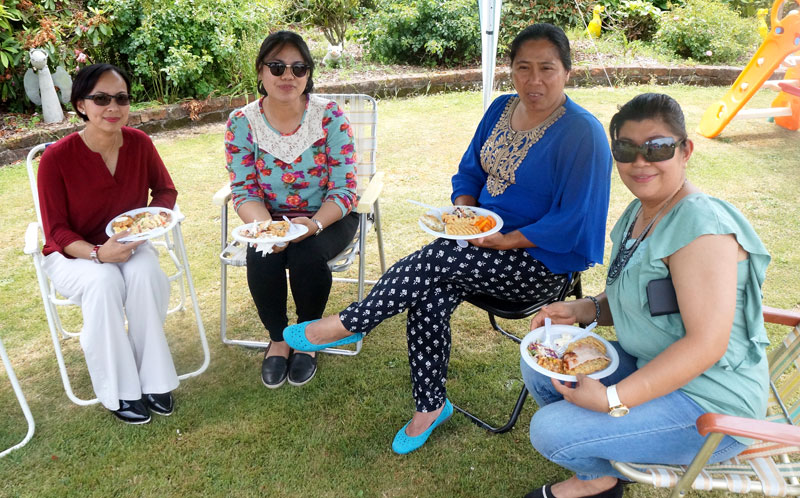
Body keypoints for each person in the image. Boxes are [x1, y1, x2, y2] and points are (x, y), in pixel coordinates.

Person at [283, 23, 613, 454]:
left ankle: (351, 322)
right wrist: (464, 210)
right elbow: (470, 171)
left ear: (567, 72)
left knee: (436, 261)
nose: (534, 80)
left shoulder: (582, 132)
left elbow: (574, 220)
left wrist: (505, 240)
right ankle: (431, 406)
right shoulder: (500, 109)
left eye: (547, 68)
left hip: (540, 265)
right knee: (430, 291)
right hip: (476, 243)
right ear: (510, 70)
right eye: (523, 68)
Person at [520, 93, 771, 498]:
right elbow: (640, 295)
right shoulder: (642, 210)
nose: (640, 161)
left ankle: (595, 462)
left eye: (657, 148)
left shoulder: (700, 225)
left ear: (685, 150)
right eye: (626, 148)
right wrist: (582, 309)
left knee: (550, 431)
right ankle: (598, 475)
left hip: (710, 405)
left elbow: (707, 345)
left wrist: (612, 400)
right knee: (542, 365)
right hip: (655, 364)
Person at [38, 63, 180, 425]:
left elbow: (165, 190)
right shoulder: (56, 158)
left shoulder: (139, 143)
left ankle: (155, 380)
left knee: (147, 272)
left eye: (121, 98)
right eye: (100, 98)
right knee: (104, 281)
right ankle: (118, 390)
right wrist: (99, 254)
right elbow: (55, 230)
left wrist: (150, 223)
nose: (112, 107)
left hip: (129, 244)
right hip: (74, 255)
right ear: (81, 104)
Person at [224, 30, 359, 389]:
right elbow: (244, 189)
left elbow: (345, 189)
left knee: (307, 254)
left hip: (328, 216)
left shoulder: (330, 117)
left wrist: (311, 225)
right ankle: (279, 338)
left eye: (299, 68)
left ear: (308, 74)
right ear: (260, 71)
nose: (288, 75)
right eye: (277, 66)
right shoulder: (242, 122)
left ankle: (308, 336)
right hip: (268, 216)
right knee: (262, 253)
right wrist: (269, 229)